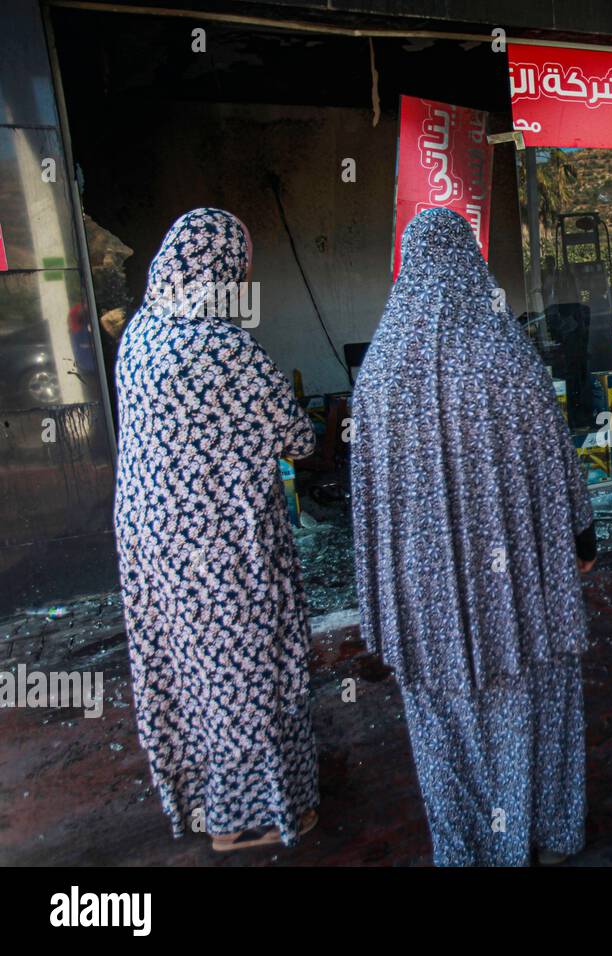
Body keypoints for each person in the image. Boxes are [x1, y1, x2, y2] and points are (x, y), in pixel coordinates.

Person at [350, 208, 597, 867]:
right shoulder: (508, 358)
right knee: (529, 706)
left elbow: (369, 496)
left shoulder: (378, 374)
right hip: (521, 597)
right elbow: (556, 460)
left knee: (444, 726)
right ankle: (545, 832)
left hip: (427, 604)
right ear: (472, 265)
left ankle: (468, 848)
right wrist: (582, 536)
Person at [113, 207, 320, 852]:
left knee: (183, 671)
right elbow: (299, 440)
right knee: (246, 673)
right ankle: (249, 819)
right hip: (219, 547)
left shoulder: (138, 337)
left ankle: (205, 802)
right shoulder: (225, 350)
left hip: (149, 543)